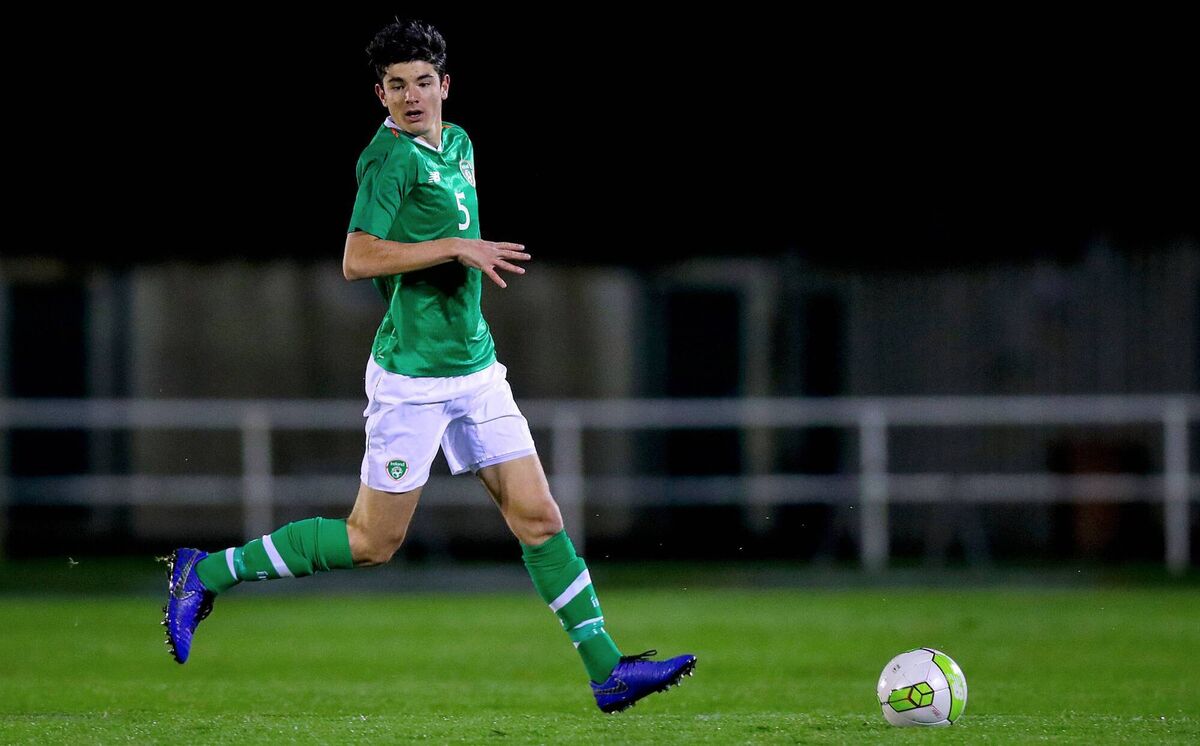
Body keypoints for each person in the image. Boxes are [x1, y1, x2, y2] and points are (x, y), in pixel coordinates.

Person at [162, 17, 695, 714]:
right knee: (371, 542)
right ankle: (208, 571)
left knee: (539, 516)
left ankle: (607, 671)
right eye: (395, 86)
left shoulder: (460, 143)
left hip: (476, 370)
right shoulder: (386, 161)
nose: (411, 97)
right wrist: (454, 246)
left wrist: (457, 255)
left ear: (444, 85)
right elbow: (357, 257)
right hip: (413, 380)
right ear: (379, 96)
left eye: (421, 83)